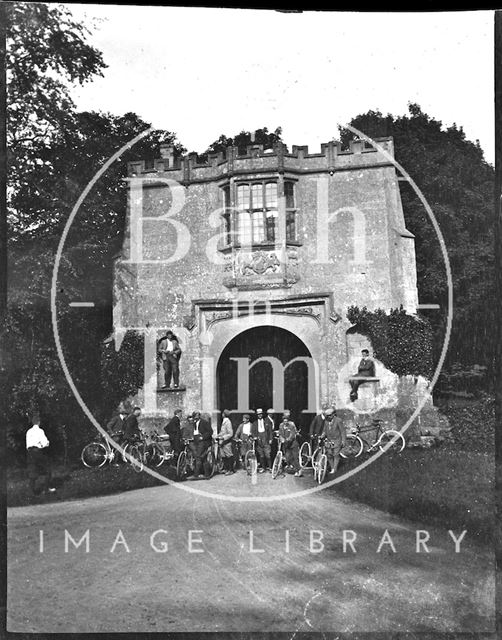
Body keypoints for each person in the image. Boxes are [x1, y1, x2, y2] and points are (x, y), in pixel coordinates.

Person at [26, 416, 56, 495]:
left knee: (32, 472)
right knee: (48, 470)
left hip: (30, 453)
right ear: (39, 422)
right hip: (37, 452)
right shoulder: (40, 431)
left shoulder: (28, 431)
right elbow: (45, 443)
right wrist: (46, 444)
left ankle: (31, 492)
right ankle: (46, 490)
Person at [320, 407, 346, 475]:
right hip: (329, 441)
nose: (327, 417)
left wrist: (343, 441)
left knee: (336, 454)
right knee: (329, 455)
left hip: (337, 440)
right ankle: (332, 468)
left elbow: (342, 431)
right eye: (326, 416)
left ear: (333, 415)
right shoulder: (326, 421)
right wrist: (322, 435)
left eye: (328, 415)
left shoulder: (338, 421)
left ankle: (335, 469)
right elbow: (325, 431)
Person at [278, 410, 302, 477]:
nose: (285, 422)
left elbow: (292, 434)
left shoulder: (291, 425)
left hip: (293, 444)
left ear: (288, 420)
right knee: (288, 458)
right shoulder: (281, 425)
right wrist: (281, 438)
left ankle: (299, 470)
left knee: (295, 457)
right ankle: (294, 468)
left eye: (286, 420)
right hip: (286, 445)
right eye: (284, 420)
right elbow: (280, 434)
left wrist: (288, 439)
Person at [189, 411, 213, 479]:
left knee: (198, 457)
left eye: (197, 416)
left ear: (199, 416)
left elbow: (210, 432)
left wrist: (203, 437)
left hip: (204, 442)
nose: (196, 418)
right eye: (195, 417)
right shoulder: (194, 423)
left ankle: (196, 474)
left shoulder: (204, 422)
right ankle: (207, 474)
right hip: (196, 441)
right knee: (203, 458)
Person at [252, 408, 273, 473]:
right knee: (261, 455)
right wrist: (254, 437)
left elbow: (270, 431)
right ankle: (263, 468)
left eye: (260, 414)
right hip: (259, 440)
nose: (260, 415)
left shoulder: (266, 421)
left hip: (266, 439)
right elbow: (253, 431)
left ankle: (270, 468)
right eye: (258, 414)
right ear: (257, 415)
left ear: (262, 414)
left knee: (268, 455)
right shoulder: (255, 423)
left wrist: (270, 439)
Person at [217, 409, 235, 475]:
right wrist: (218, 435)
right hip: (222, 442)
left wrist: (223, 437)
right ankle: (226, 469)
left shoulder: (228, 422)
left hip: (226, 442)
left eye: (222, 414)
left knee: (229, 455)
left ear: (224, 414)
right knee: (223, 456)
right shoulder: (224, 421)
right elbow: (222, 432)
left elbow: (230, 433)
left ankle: (231, 470)